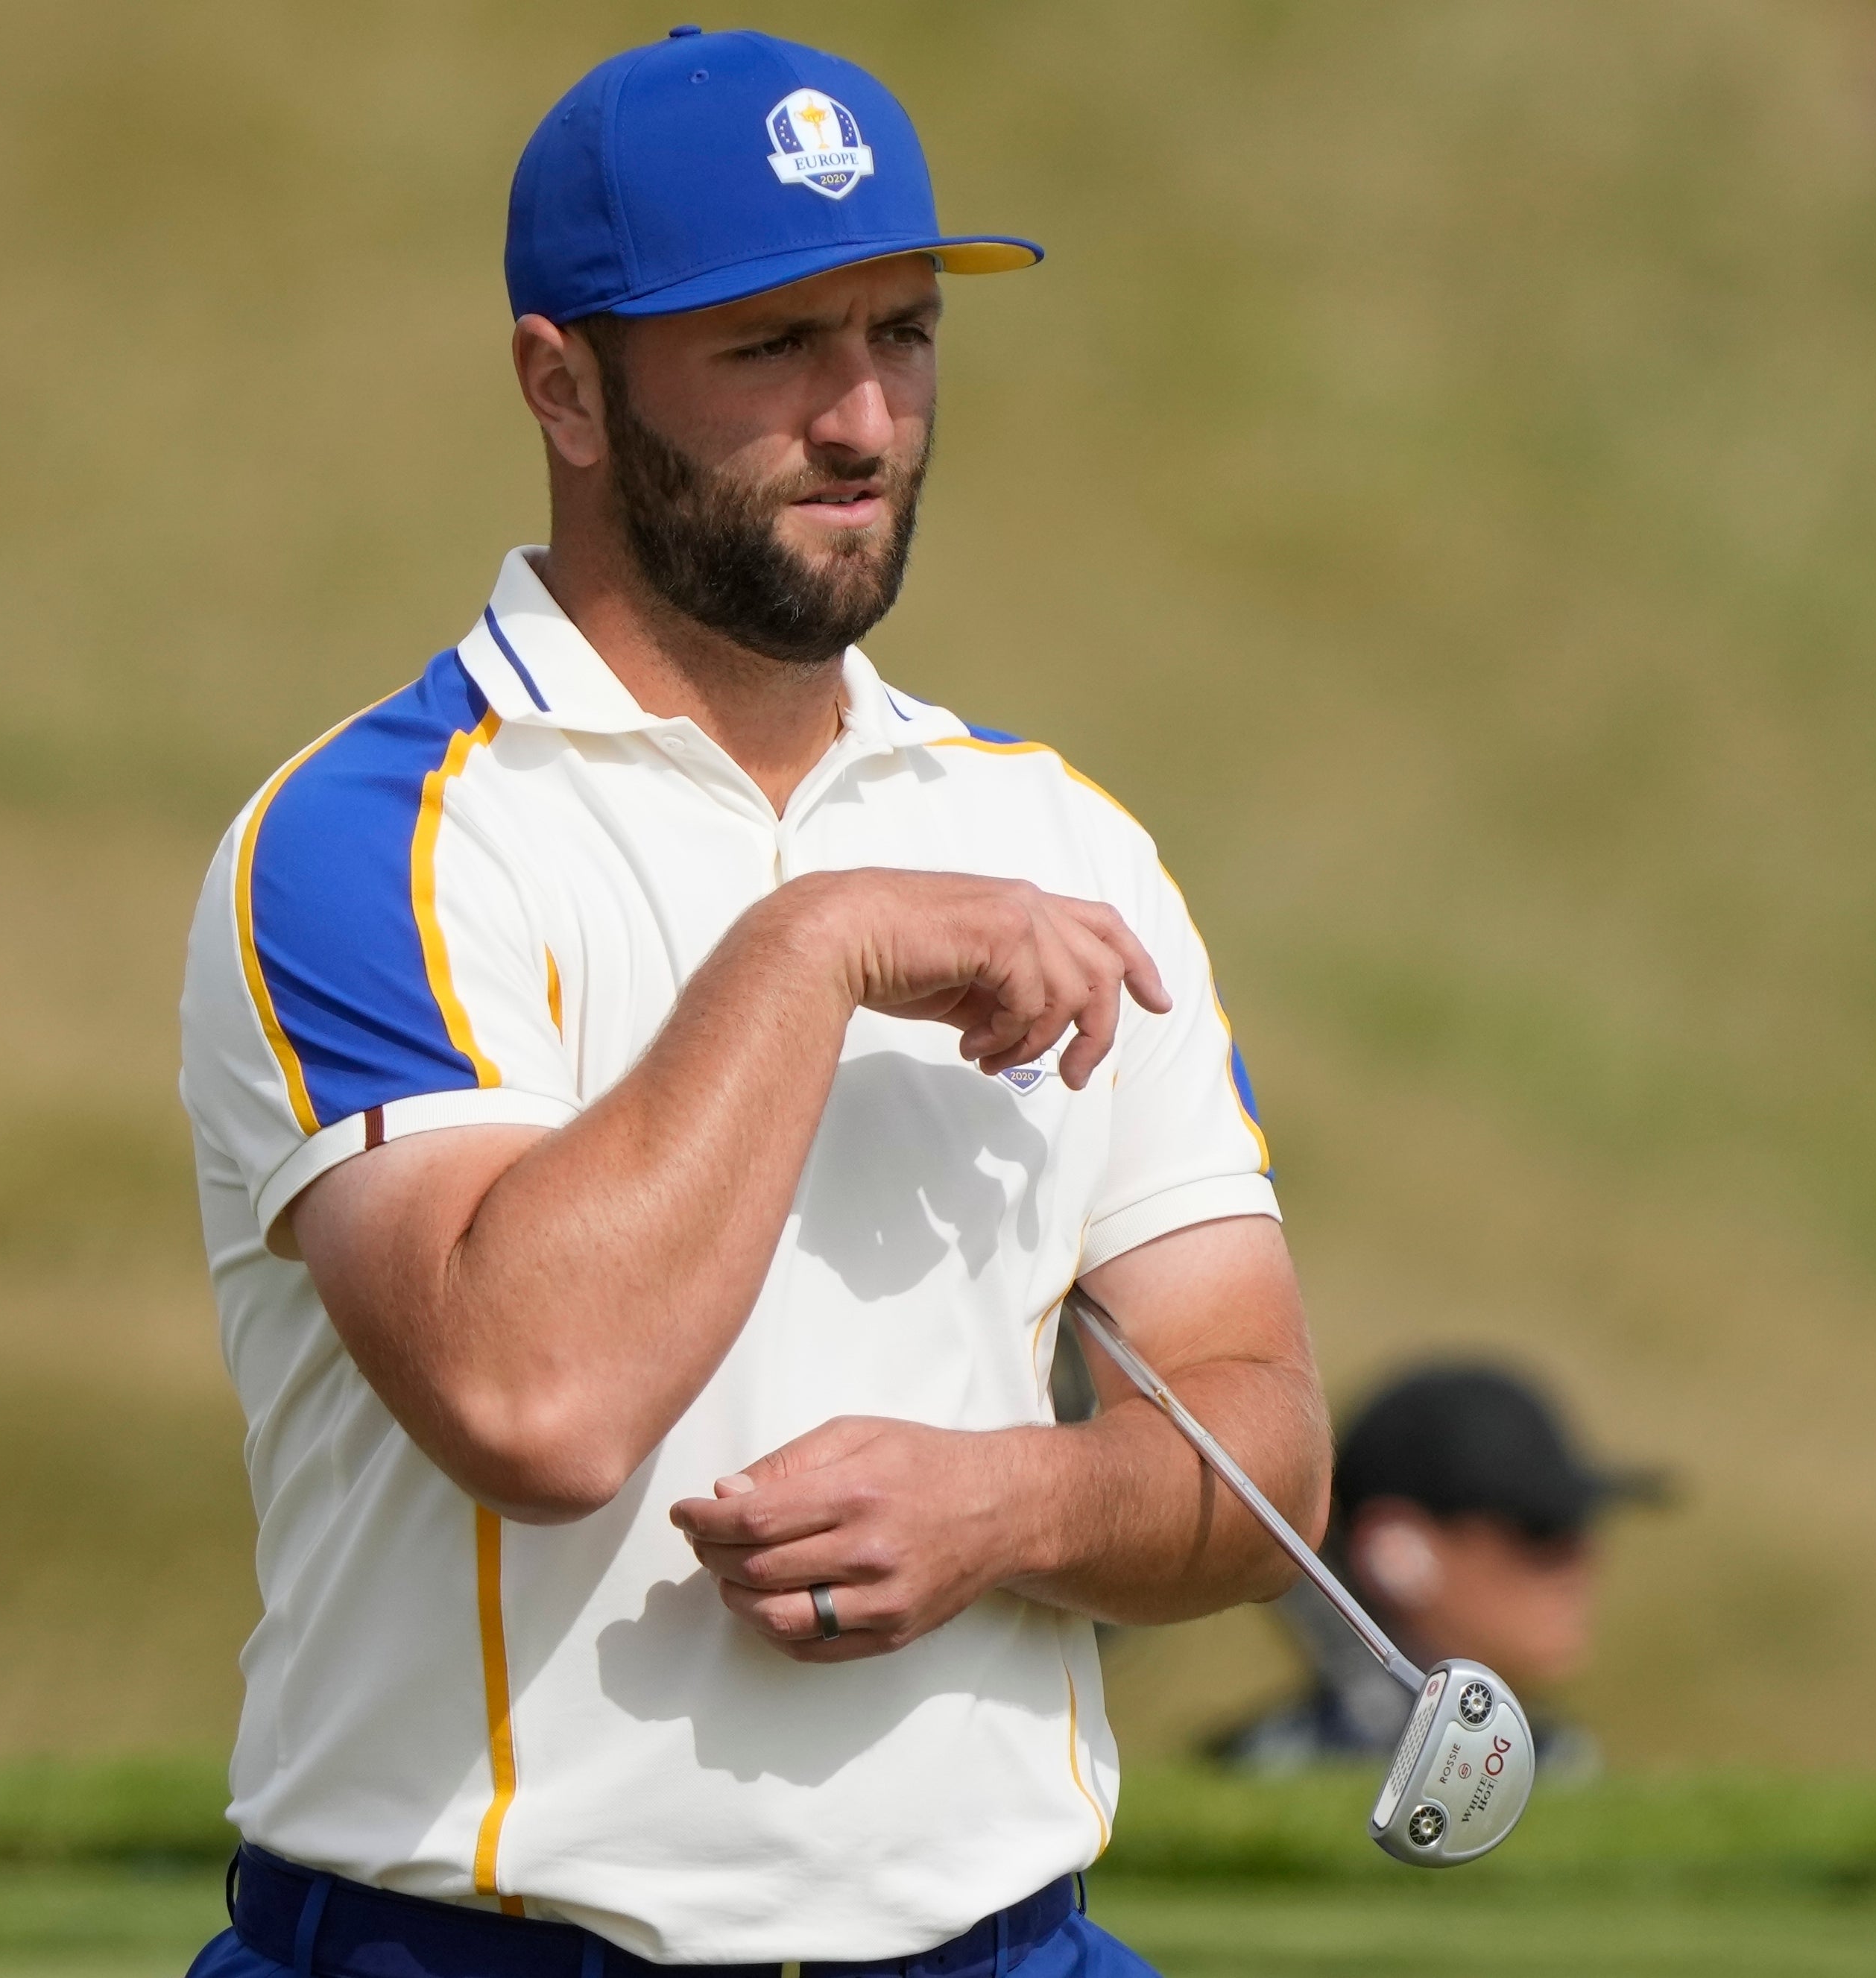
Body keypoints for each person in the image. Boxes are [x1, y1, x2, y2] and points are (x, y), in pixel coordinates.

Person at [176, 28, 1326, 1978]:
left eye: (900, 331)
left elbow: (1266, 1444)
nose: (865, 418)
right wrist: (817, 943)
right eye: (773, 346)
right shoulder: (372, 838)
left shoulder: (1064, 837)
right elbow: (530, 1397)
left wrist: (1012, 1498)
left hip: (1002, 1942)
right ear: (563, 381)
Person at [1204, 1362, 1663, 1778]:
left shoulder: (1561, 1758)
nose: (1581, 1561)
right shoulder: (1271, 1771)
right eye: (1540, 1531)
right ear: (1398, 1552)